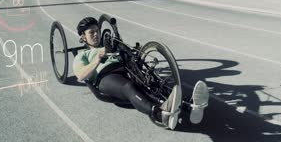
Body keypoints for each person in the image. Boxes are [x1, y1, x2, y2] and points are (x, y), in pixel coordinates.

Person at [72, 17, 209, 130]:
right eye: (91, 32)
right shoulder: (83, 55)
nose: (96, 34)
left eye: (97, 31)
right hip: (106, 76)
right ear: (83, 37)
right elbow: (81, 75)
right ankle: (160, 114)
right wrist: (97, 59)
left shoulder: (109, 45)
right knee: (128, 87)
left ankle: (189, 105)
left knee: (152, 83)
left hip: (126, 68)